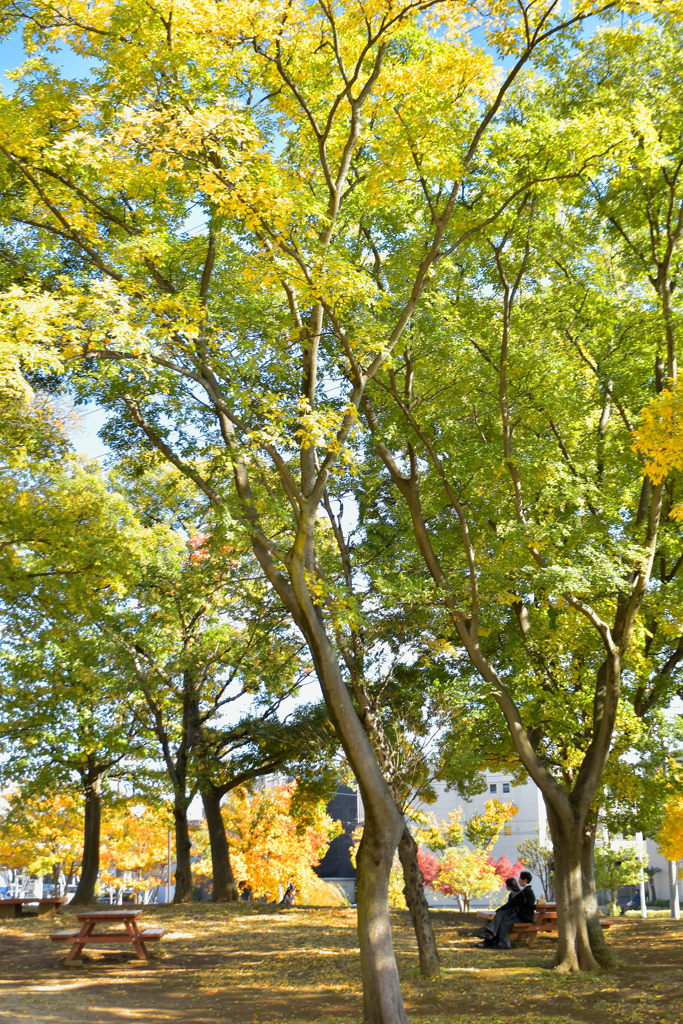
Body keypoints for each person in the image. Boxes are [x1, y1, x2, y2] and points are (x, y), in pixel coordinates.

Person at [478, 870, 536, 949]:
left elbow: (512, 903)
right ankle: (495, 939)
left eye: (520, 879)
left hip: (523, 917)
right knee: (502, 919)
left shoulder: (525, 892)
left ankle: (495, 937)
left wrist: (499, 909)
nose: (518, 881)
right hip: (523, 916)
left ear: (525, 880)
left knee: (503, 920)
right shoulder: (527, 891)